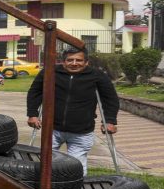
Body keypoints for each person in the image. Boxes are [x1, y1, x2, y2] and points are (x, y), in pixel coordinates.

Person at [26, 46, 119, 175]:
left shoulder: (96, 75)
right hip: (52, 129)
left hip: (82, 131)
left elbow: (110, 99)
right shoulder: (50, 72)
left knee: (76, 167)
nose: (74, 63)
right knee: (47, 164)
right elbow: (35, 92)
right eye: (70, 60)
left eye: (79, 60)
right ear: (63, 61)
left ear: (86, 62)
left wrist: (110, 121)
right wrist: (32, 114)